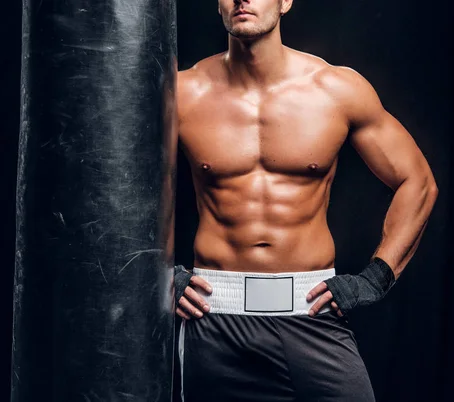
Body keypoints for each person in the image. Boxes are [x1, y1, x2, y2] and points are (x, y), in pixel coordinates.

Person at [174, 0, 438, 401]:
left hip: (311, 314)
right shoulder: (180, 93)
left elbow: (417, 181)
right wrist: (154, 281)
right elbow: (116, 189)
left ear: (285, 2)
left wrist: (376, 277)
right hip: (213, 316)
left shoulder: (336, 89)